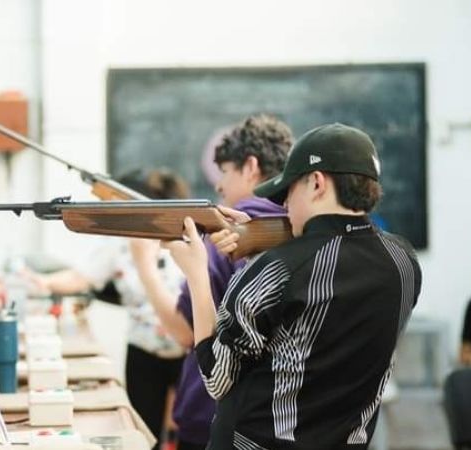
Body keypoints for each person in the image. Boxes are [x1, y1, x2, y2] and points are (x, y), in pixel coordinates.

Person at [166, 123, 422, 449]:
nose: (284, 204)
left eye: (288, 191)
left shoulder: (276, 270)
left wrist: (196, 273)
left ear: (316, 183)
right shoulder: (404, 262)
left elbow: (217, 378)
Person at [129, 113, 294, 450]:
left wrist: (144, 265)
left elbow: (184, 331)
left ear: (250, 167)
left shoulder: (228, 238)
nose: (219, 186)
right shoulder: (300, 230)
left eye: (225, 172)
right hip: (272, 423)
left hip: (213, 418)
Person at [25, 168, 188, 449]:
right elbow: (81, 277)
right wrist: (43, 282)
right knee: (143, 430)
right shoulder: (119, 242)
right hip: (143, 348)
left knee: (191, 431)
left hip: (189, 349)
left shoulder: (182, 235)